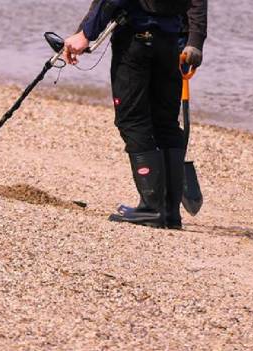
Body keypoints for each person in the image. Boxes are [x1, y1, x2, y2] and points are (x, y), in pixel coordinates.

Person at [63, 0, 207, 230]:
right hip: (171, 42)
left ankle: (151, 209)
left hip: (136, 40)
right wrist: (195, 41)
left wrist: (86, 34)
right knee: (166, 124)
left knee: (132, 120)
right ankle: (170, 213)